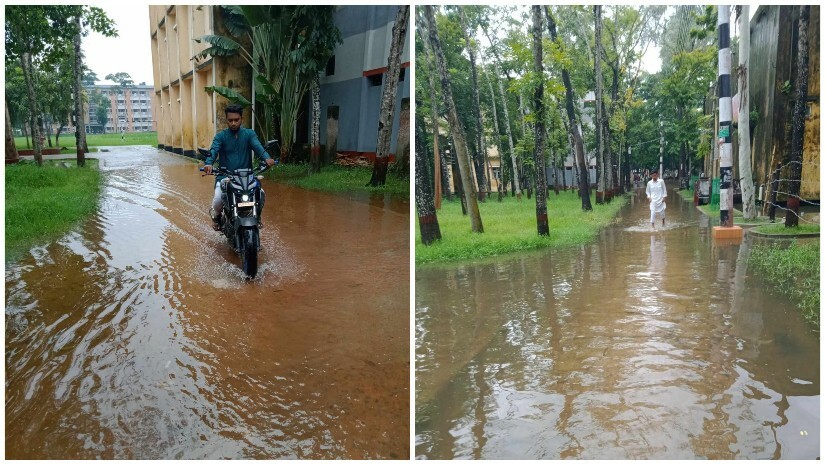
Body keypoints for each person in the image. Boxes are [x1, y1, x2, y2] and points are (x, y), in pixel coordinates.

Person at [203, 104, 275, 230]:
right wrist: (209, 163)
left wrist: (267, 158)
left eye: (236, 120)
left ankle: (257, 217)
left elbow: (258, 147)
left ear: (241, 119)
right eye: (230, 120)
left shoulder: (249, 134)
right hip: (225, 177)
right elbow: (213, 151)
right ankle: (217, 218)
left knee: (261, 193)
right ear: (226, 120)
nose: (233, 123)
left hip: (247, 177)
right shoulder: (220, 137)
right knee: (218, 200)